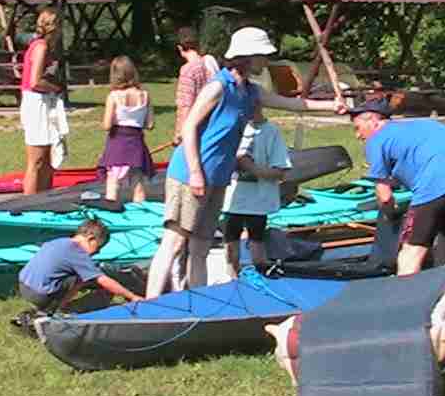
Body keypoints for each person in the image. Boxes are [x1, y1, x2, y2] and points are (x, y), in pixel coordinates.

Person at [144, 26, 345, 298]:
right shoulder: (218, 86)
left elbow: (292, 104)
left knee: (201, 246)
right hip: (190, 173)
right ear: (247, 56)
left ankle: (199, 301)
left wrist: (332, 106)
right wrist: (195, 173)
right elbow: (189, 127)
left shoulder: (251, 91)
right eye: (263, 55)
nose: (267, 61)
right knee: (175, 241)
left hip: (218, 176)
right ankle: (150, 302)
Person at [348, 98, 445, 275]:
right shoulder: (425, 125)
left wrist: (391, 217)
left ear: (373, 120)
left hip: (435, 184)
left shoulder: (376, 140)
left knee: (411, 250)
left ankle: (405, 297)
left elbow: (386, 197)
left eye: (357, 128)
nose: (358, 135)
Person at [15, 220, 143, 325]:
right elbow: (103, 280)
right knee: (83, 278)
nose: (97, 252)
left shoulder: (59, 242)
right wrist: (132, 296)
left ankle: (45, 310)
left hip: (23, 286)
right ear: (91, 239)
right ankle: (61, 311)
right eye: (98, 247)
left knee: (82, 274)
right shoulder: (76, 251)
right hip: (40, 294)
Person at [220, 97, 292, 279]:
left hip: (258, 201)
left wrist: (251, 168)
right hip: (231, 200)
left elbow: (280, 171)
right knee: (231, 245)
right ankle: (232, 280)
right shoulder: (231, 129)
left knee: (257, 244)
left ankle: (260, 278)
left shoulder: (270, 132)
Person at [20, 7, 68, 194]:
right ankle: (28, 204)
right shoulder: (41, 46)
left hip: (45, 101)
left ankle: (45, 199)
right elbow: (35, 81)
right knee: (37, 160)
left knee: (48, 160)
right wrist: (57, 88)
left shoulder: (47, 47)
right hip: (36, 103)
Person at [97, 56, 155, 203]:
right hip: (136, 142)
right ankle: (140, 214)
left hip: (118, 141)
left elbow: (107, 125)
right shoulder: (145, 95)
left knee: (113, 180)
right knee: (138, 183)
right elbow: (150, 124)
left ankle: (111, 211)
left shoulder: (114, 96)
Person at [172, 26, 219, 145]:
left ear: (179, 48)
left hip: (194, 129)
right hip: (213, 124)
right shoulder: (210, 62)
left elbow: (185, 105)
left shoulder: (188, 70)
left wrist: (179, 133)